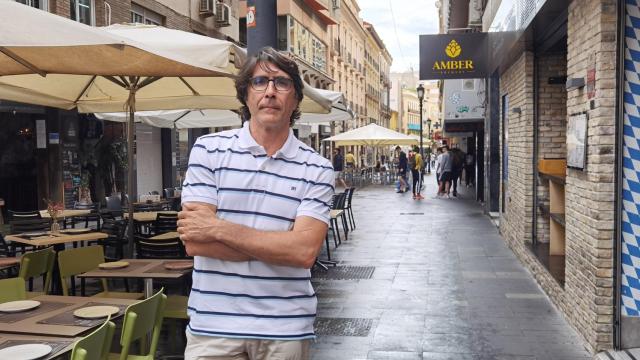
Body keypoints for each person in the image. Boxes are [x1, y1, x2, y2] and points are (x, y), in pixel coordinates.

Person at [177, 47, 334, 360]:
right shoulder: (208, 150)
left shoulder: (317, 167)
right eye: (260, 81)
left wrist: (217, 227)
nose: (270, 92)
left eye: (282, 83)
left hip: (285, 328)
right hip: (213, 327)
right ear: (246, 95)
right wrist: (278, 246)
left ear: (296, 99)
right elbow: (195, 242)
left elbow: (303, 252)